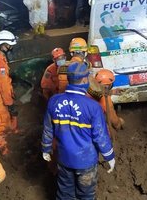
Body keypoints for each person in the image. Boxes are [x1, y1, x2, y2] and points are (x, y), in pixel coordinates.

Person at [42, 62, 115, 199]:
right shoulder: (93, 107)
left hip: (64, 159)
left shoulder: (54, 101)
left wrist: (46, 149)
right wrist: (109, 156)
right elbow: (100, 136)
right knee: (86, 195)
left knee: (65, 194)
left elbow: (47, 128)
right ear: (84, 80)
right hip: (86, 161)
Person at [0, 30, 18, 155]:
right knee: (3, 122)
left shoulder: (0, 57)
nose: (11, 47)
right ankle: (3, 147)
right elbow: (3, 85)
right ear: (3, 45)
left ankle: (11, 133)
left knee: (8, 117)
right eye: (9, 45)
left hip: (1, 95)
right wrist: (9, 102)